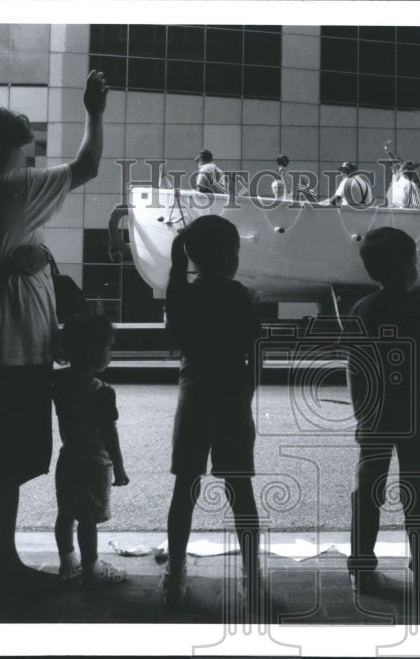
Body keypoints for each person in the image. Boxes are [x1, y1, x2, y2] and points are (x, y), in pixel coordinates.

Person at [0, 71, 107, 594]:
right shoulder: (13, 189)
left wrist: (30, 261)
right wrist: (93, 111)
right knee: (3, 463)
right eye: (22, 152)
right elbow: (87, 166)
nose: (27, 162)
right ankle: (6, 565)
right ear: (5, 154)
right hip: (11, 346)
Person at [161, 215, 263, 609]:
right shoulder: (241, 295)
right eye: (236, 249)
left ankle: (174, 575)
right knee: (240, 488)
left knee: (185, 485)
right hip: (232, 393)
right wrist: (247, 394)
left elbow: (181, 343)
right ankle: (251, 576)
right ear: (225, 254)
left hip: (194, 391)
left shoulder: (181, 292)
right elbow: (256, 353)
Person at [345, 227, 420, 599]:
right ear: (407, 265)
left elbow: (354, 369)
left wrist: (362, 413)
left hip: (374, 418)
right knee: (417, 495)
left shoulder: (363, 309)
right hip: (417, 417)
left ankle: (361, 569)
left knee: (368, 494)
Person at [53, 313, 130, 588]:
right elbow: (109, 434)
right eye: (108, 348)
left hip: (67, 458)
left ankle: (68, 562)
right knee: (87, 519)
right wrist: (119, 468)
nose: (110, 354)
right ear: (93, 352)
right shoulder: (101, 392)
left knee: (65, 514)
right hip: (94, 464)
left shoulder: (59, 383)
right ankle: (91, 568)